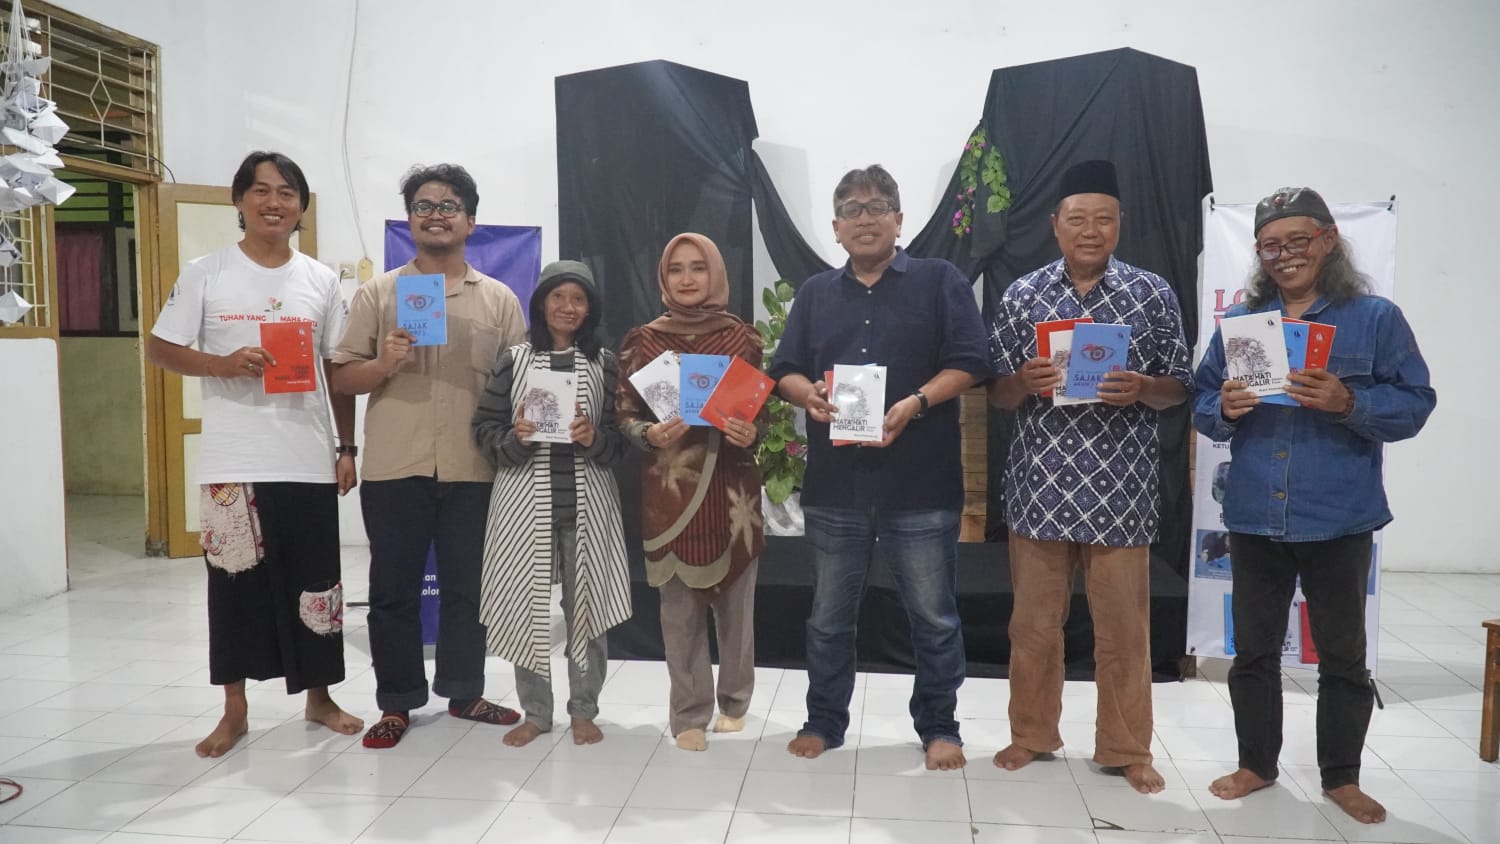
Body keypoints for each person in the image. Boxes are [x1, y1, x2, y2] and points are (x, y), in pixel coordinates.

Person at [1194, 187, 1435, 824]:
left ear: (1328, 239)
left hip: (1338, 514)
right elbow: (1201, 400)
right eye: (1270, 246)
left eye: (1297, 240)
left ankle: (1341, 777)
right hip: (1254, 512)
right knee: (1253, 652)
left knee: (1343, 656)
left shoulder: (1374, 319)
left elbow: (1416, 404)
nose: (1284, 255)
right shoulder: (1243, 323)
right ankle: (1256, 764)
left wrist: (1348, 402)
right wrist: (1223, 408)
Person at [769, 164, 992, 771]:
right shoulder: (816, 293)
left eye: (876, 208)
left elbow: (972, 360)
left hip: (921, 482)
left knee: (934, 617)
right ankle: (824, 721)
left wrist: (916, 401)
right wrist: (807, 394)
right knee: (828, 618)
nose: (864, 219)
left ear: (899, 220)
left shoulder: (939, 280)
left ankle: (940, 726)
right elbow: (784, 369)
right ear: (836, 227)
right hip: (835, 486)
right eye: (852, 210)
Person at [146, 150, 363, 757]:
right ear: (239, 200)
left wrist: (347, 447)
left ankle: (319, 697)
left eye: (287, 192)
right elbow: (160, 348)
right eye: (261, 190)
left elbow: (337, 370)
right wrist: (218, 364)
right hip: (232, 461)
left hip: (306, 457)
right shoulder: (206, 272)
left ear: (300, 205)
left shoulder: (321, 280)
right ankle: (234, 708)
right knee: (233, 589)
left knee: (317, 585)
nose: (274, 202)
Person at [986, 159, 1191, 794]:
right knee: (1033, 627)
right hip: (1040, 489)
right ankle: (1031, 734)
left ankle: (1126, 747)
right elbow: (996, 393)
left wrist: (1144, 387)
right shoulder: (1024, 295)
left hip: (1122, 490)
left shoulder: (1152, 294)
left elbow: (1181, 387)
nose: (1091, 230)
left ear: (1120, 223)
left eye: (1104, 219)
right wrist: (1023, 381)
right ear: (1055, 225)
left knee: (1125, 631)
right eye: (1078, 219)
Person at [330, 164, 526, 749]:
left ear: (470, 220)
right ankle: (396, 703)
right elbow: (342, 378)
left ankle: (465, 691)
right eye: (423, 205)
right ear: (410, 219)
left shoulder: (499, 300)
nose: (435, 215)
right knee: (393, 592)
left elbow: (520, 382)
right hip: (396, 466)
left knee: (469, 589)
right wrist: (383, 363)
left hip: (474, 468)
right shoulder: (379, 294)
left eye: (448, 206)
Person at [472, 260, 632, 746]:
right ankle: (536, 713)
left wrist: (592, 437)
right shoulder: (514, 360)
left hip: (589, 506)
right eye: (558, 297)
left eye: (578, 299)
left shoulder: (605, 363)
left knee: (588, 610)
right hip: (523, 504)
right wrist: (517, 437)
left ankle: (584, 710)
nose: (568, 307)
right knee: (525, 608)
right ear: (541, 303)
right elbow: (483, 429)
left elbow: (619, 441)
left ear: (590, 308)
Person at [617, 233, 766, 752]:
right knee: (678, 613)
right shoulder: (643, 343)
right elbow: (625, 414)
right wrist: (648, 433)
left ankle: (735, 702)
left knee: (737, 610)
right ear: (663, 277)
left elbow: (762, 416)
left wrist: (752, 431)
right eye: (676, 268)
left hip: (732, 491)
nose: (686, 279)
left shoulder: (742, 340)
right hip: (671, 493)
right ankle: (688, 713)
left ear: (715, 273)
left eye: (698, 267)